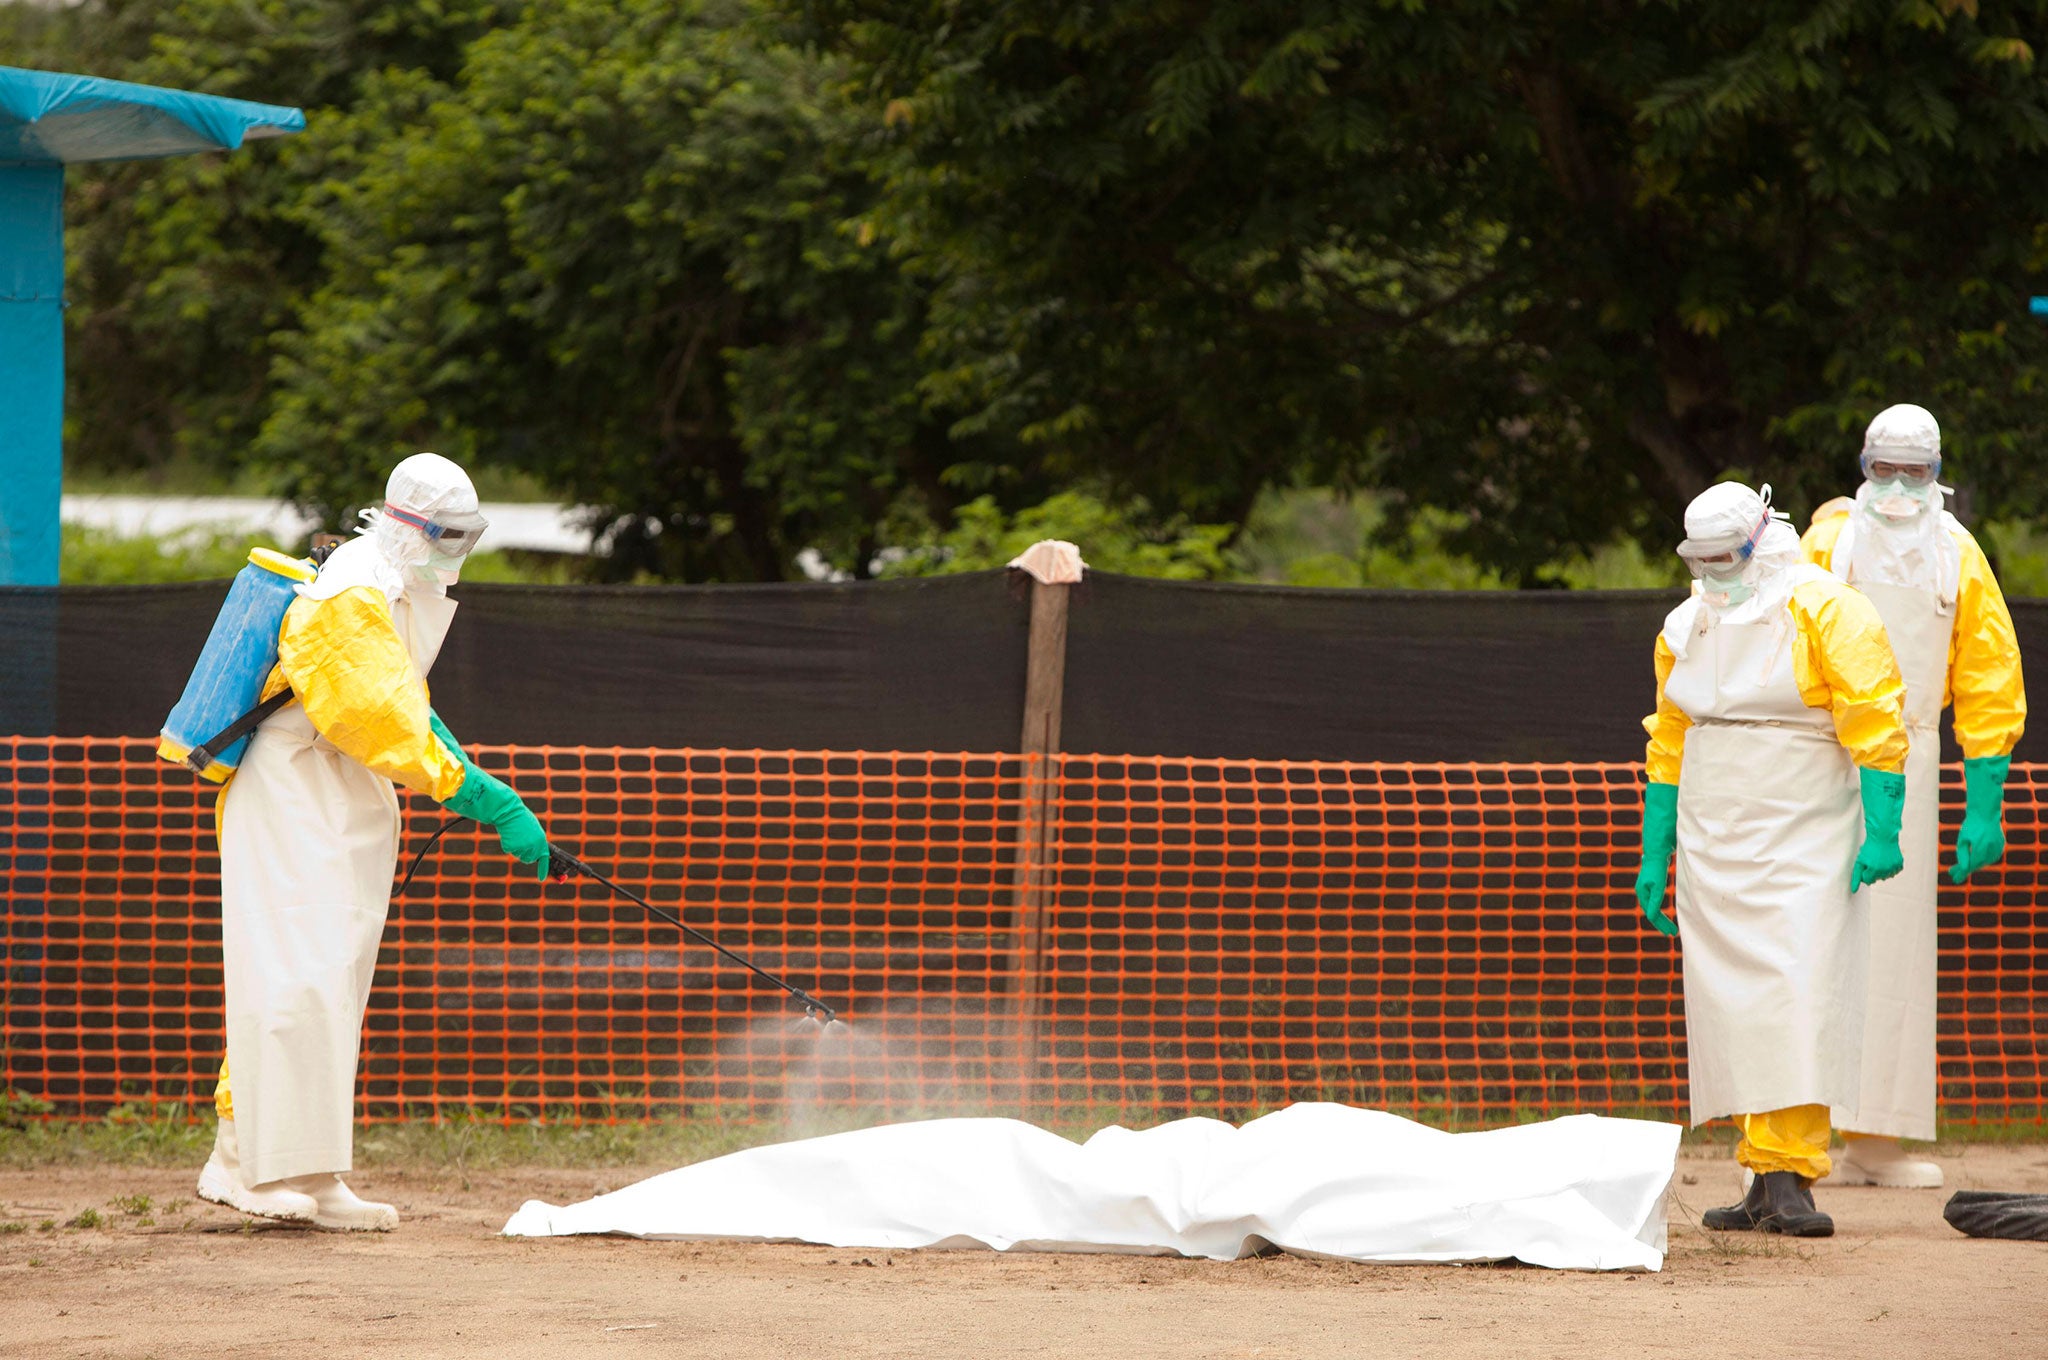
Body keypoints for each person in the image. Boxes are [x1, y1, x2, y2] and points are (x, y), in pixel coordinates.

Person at [195, 453, 552, 1231]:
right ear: (410, 522)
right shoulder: (353, 584)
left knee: (332, 981)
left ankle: (313, 1174)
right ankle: (237, 1163)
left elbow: (403, 699)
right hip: (291, 788)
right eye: (450, 533)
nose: (458, 548)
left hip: (339, 793)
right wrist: (480, 795)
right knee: (290, 976)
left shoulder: (390, 585)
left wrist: (458, 764)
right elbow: (375, 715)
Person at [1635, 481, 1909, 1237]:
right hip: (1714, 829)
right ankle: (1760, 1174)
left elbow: (1875, 714)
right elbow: (1668, 737)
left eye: (1727, 556)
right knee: (1732, 999)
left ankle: (1793, 1174)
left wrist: (1883, 828)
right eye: (1703, 559)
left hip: (1805, 820)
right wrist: (1656, 853)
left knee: (1801, 985)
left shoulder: (1828, 607)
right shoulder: (1687, 622)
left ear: (1761, 538)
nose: (1716, 570)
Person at [1801, 404, 2026, 1188]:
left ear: (1938, 473)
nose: (1897, 488)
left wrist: (1985, 799)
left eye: (1915, 471)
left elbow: (1989, 672)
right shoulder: (1827, 540)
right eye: (1883, 470)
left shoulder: (1958, 554)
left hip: (1916, 752)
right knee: (1809, 935)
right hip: (1821, 756)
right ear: (1863, 464)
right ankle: (1796, 1135)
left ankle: (1875, 1138)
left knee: (1894, 951)